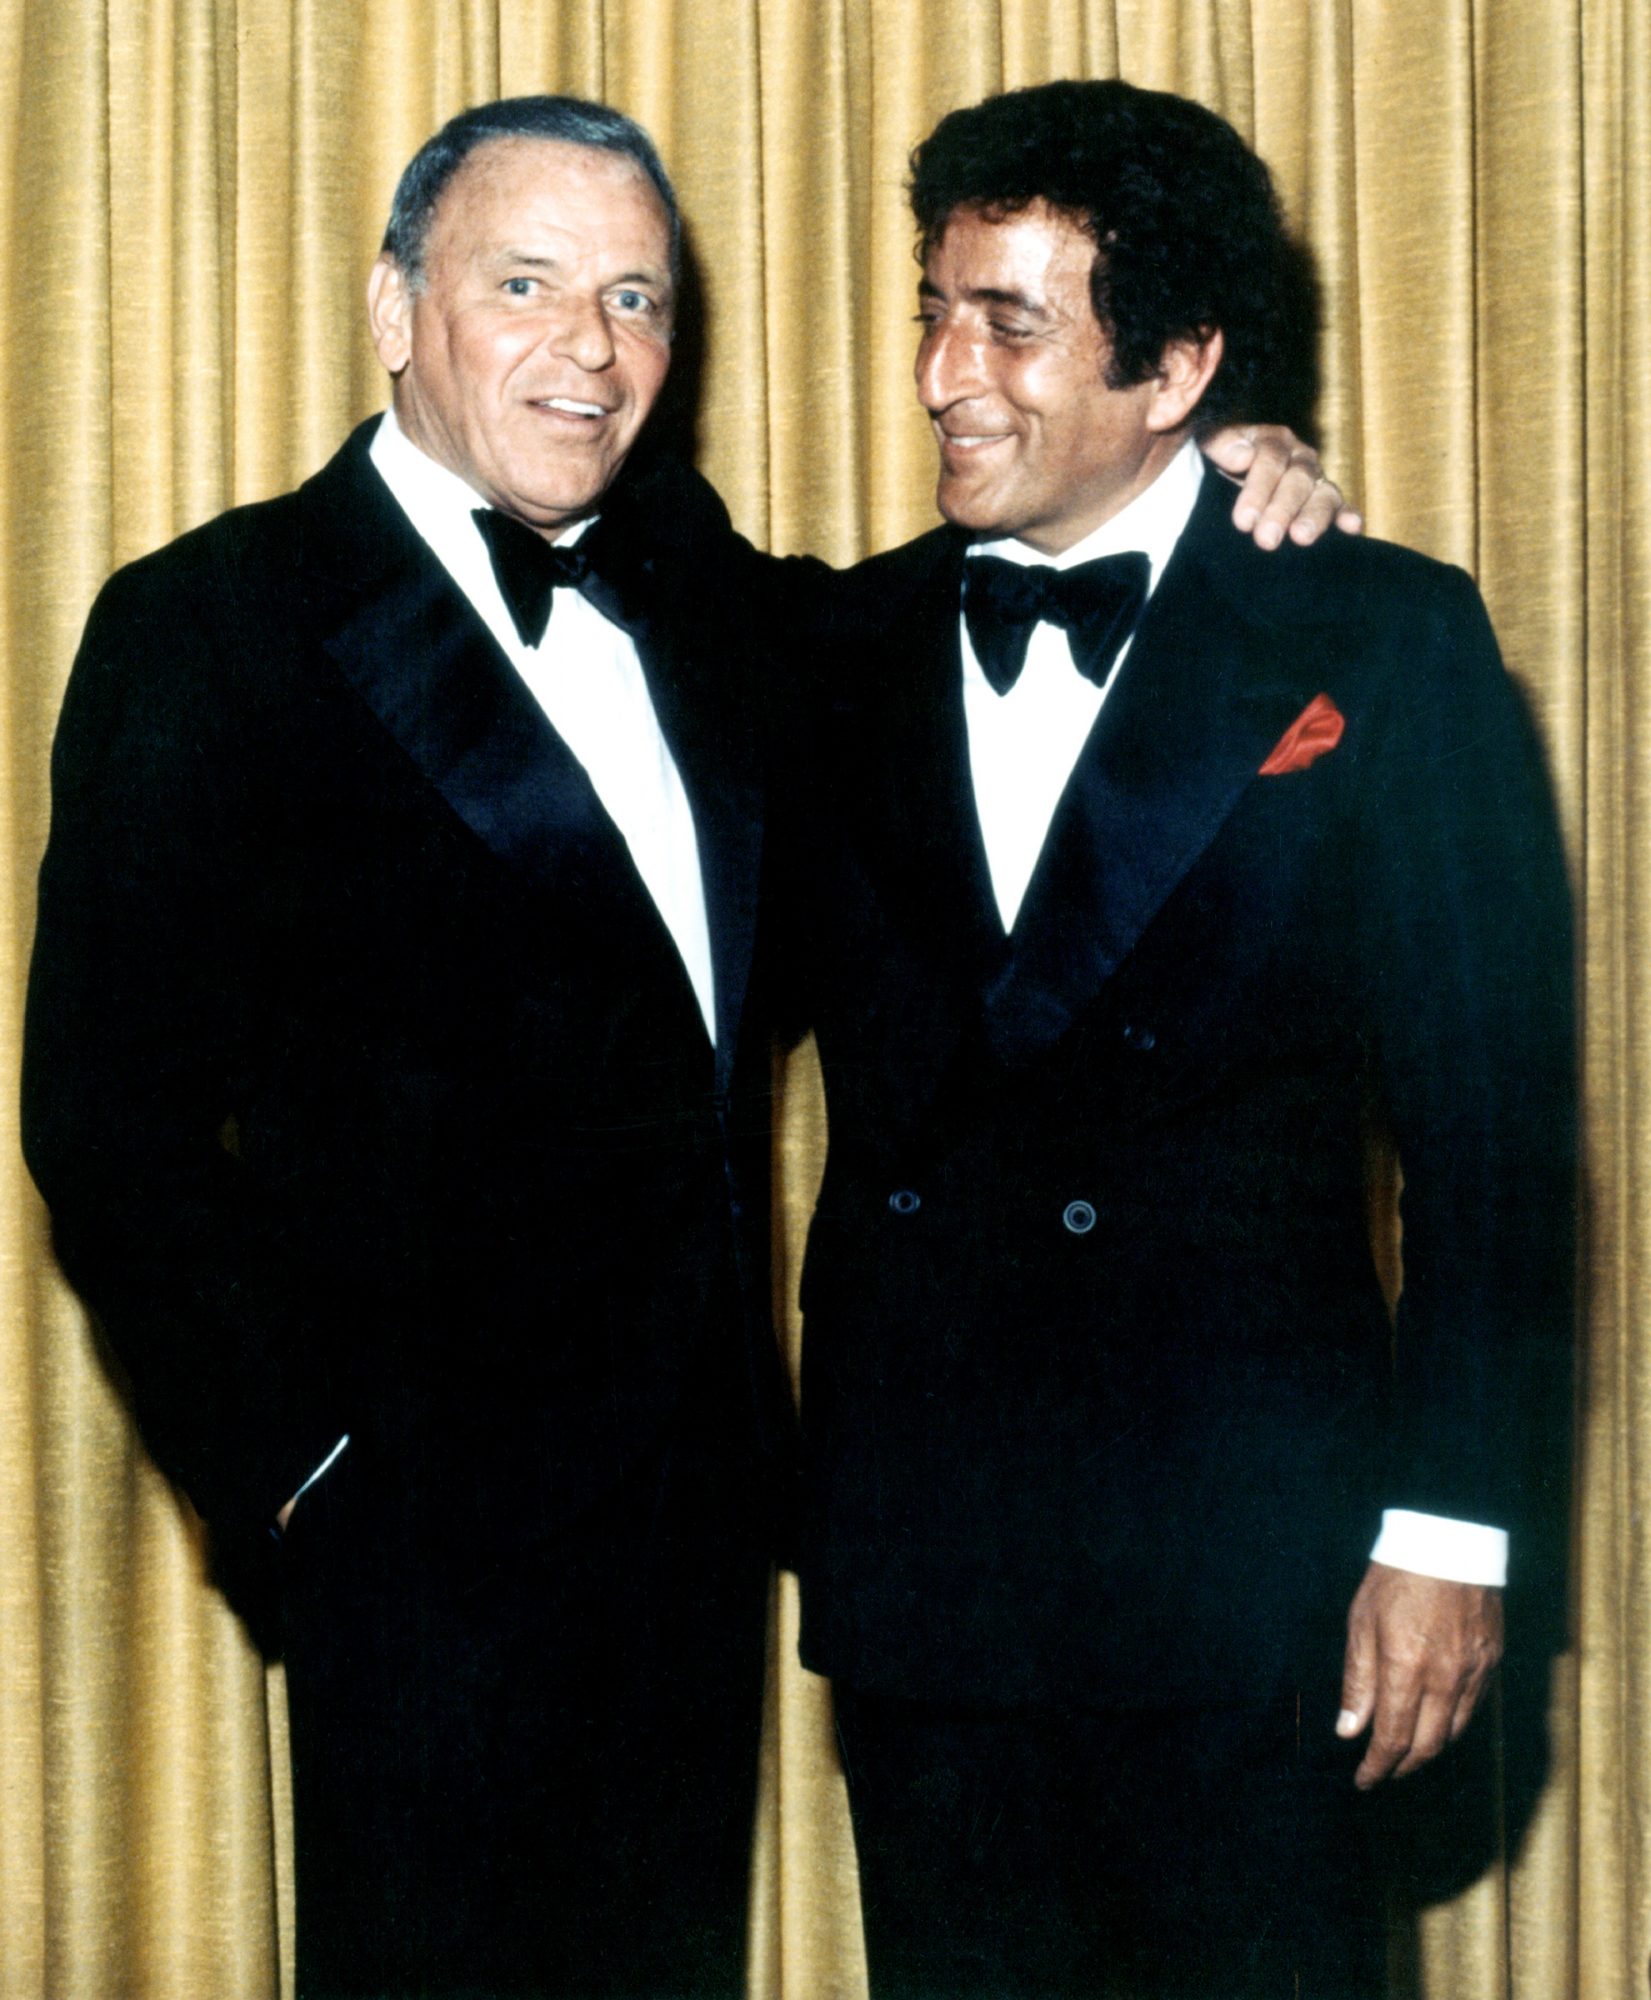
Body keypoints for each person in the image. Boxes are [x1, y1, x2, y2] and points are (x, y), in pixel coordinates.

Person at [22, 90, 1351, 1999]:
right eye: (527, 283)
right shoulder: (211, 627)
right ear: (395, 308)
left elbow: (1001, 618)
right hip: (418, 1547)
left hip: (703, 1523)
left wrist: (1214, 470)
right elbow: (104, 1119)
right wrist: (305, 1476)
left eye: (636, 298)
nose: (591, 347)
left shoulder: (700, 588)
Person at [787, 79, 1574, 1998]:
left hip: (1255, 1572)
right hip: (931, 1577)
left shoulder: (1377, 639)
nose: (942, 377)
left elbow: (1494, 1140)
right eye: (934, 311)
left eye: (1011, 325)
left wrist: (1453, 1532)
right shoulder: (827, 649)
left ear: (1181, 365)